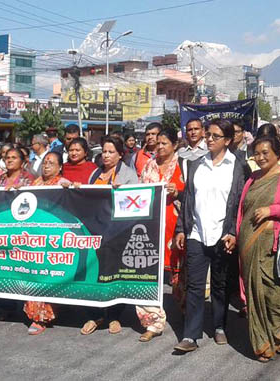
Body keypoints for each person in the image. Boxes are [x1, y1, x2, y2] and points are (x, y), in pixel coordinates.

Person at [173, 119, 249, 353]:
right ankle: (190, 335)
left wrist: (233, 232)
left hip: (223, 235)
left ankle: (219, 326)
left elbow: (240, 203)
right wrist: (181, 229)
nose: (209, 139)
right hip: (197, 233)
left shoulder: (238, 166)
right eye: (208, 135)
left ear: (227, 140)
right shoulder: (196, 165)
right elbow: (188, 200)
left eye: (215, 136)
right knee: (195, 286)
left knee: (219, 285)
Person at [236, 136, 280, 362]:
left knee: (272, 290)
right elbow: (242, 211)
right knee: (253, 292)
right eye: (256, 153)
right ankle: (262, 343)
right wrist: (235, 237)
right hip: (248, 243)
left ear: (278, 153)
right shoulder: (252, 179)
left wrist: (272, 210)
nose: (260, 157)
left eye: (265, 152)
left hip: (272, 243)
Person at [81, 136, 138, 335]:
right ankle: (95, 314)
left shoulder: (129, 175)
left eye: (111, 152)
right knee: (94, 272)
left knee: (115, 274)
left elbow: (135, 203)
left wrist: (122, 193)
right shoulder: (94, 174)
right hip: (95, 231)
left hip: (117, 233)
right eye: (104, 151)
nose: (105, 155)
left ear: (120, 154)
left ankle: (114, 315)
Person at [135, 128, 186, 343]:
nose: (160, 147)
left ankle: (186, 315)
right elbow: (139, 195)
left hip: (177, 228)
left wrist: (179, 191)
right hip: (151, 227)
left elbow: (194, 192)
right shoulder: (149, 165)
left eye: (165, 143)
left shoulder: (184, 165)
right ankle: (152, 322)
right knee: (146, 273)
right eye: (158, 143)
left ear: (174, 144)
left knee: (181, 276)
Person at [20, 152, 71, 335]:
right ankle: (36, 314)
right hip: (32, 238)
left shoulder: (62, 183)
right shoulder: (35, 183)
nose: (46, 166)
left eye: (51, 163)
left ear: (59, 167)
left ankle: (42, 317)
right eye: (45, 163)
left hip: (52, 239)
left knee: (47, 277)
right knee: (33, 276)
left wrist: (70, 188)